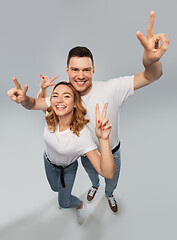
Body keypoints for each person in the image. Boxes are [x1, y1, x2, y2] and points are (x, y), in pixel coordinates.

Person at [7, 11, 170, 214]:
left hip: (112, 150)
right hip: (86, 154)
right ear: (67, 70)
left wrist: (150, 61)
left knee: (110, 180)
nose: (80, 75)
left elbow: (151, 76)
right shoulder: (65, 98)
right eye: (75, 70)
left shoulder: (112, 88)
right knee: (94, 176)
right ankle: (94, 186)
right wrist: (24, 100)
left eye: (86, 70)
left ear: (93, 70)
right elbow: (34, 103)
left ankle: (109, 195)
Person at [8, 80, 115, 224]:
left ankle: (80, 204)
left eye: (66, 96)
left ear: (75, 103)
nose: (59, 100)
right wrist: (26, 98)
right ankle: (63, 193)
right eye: (55, 96)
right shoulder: (50, 116)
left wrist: (104, 140)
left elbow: (107, 173)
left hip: (67, 170)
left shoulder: (81, 136)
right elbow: (32, 104)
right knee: (54, 188)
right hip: (48, 162)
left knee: (64, 203)